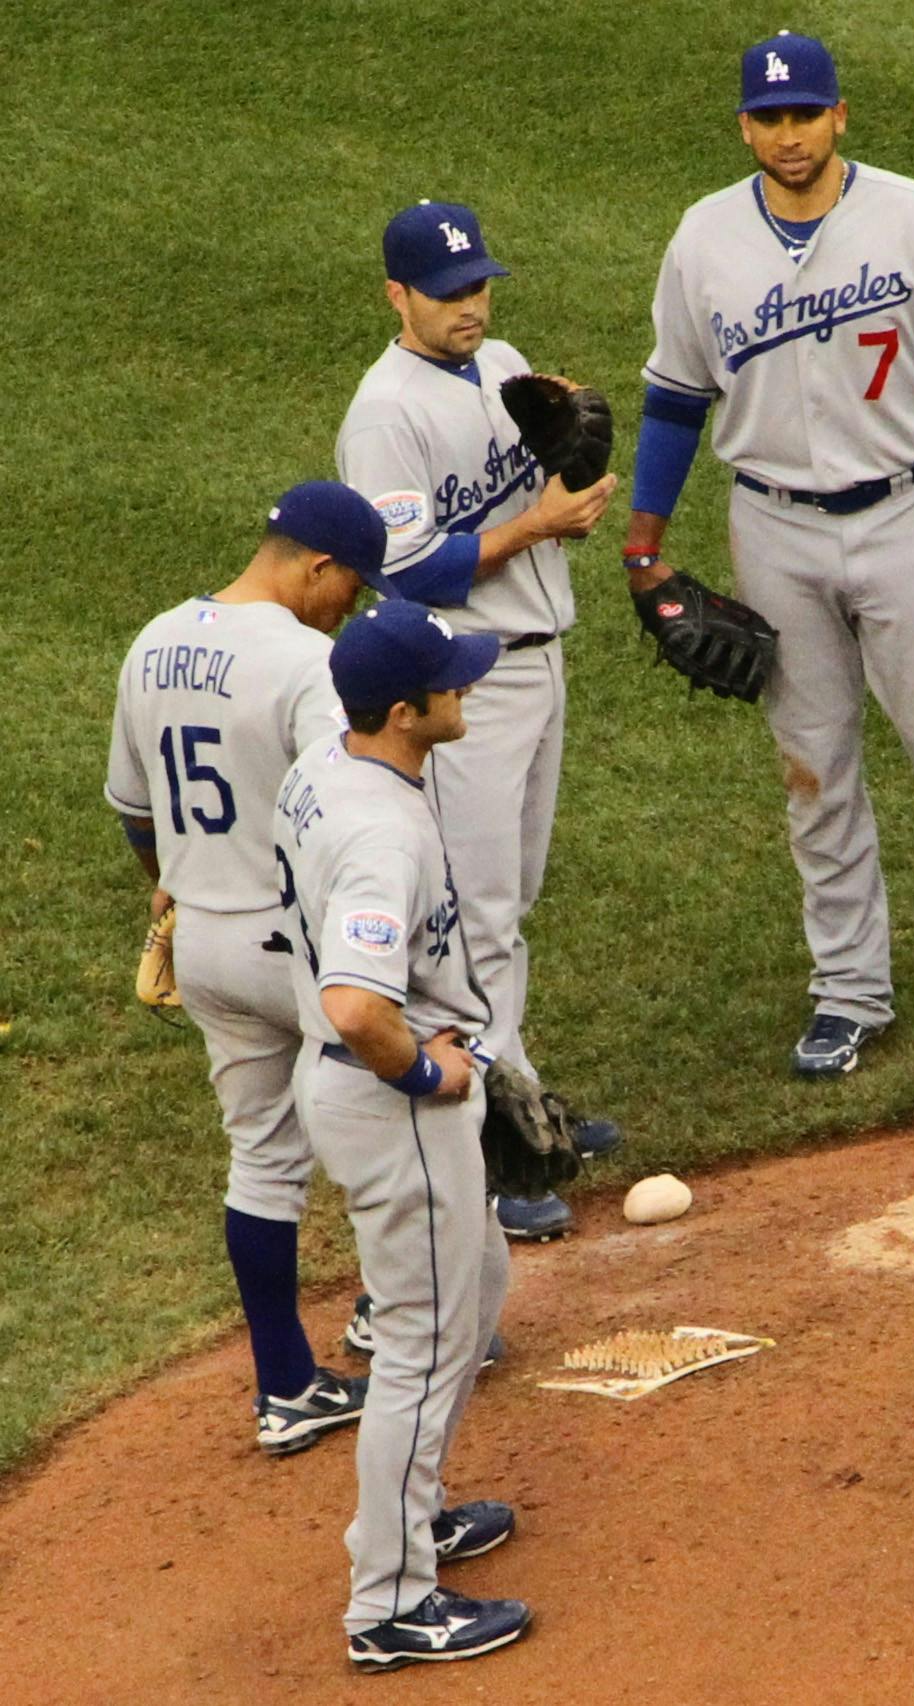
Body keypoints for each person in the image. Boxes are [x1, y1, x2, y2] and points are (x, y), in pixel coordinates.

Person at [624, 31, 914, 1077]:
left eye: (805, 115)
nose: (788, 135)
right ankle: (849, 993)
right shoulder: (702, 239)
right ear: (745, 125)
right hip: (770, 524)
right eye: (769, 118)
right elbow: (675, 399)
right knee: (814, 771)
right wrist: (644, 541)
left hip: (904, 519)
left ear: (839, 116)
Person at [336, 197, 620, 1242]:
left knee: (513, 894)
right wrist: (535, 522)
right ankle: (494, 1148)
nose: (471, 304)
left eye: (480, 283)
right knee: (476, 910)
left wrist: (574, 490)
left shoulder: (502, 358)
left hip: (539, 660)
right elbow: (400, 563)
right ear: (396, 295)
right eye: (449, 291)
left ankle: (520, 1091)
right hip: (465, 687)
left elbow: (550, 475)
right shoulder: (385, 411)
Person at [104, 481, 384, 1455]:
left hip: (208, 943)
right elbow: (346, 810)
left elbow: (136, 811)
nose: (352, 604)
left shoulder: (152, 641)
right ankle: (399, 1320)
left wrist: (169, 888)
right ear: (315, 564)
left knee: (263, 1156)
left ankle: (286, 1388)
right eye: (352, 584)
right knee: (395, 1126)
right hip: (299, 944)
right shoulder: (311, 662)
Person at [275, 598, 528, 1669]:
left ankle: (408, 1523)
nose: (462, 683)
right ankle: (389, 1605)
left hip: (356, 1092)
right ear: (399, 709)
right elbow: (356, 1004)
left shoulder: (327, 762)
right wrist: (432, 1069)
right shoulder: (381, 831)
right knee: (423, 1349)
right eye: (446, 678)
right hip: (392, 1105)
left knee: (480, 1287)